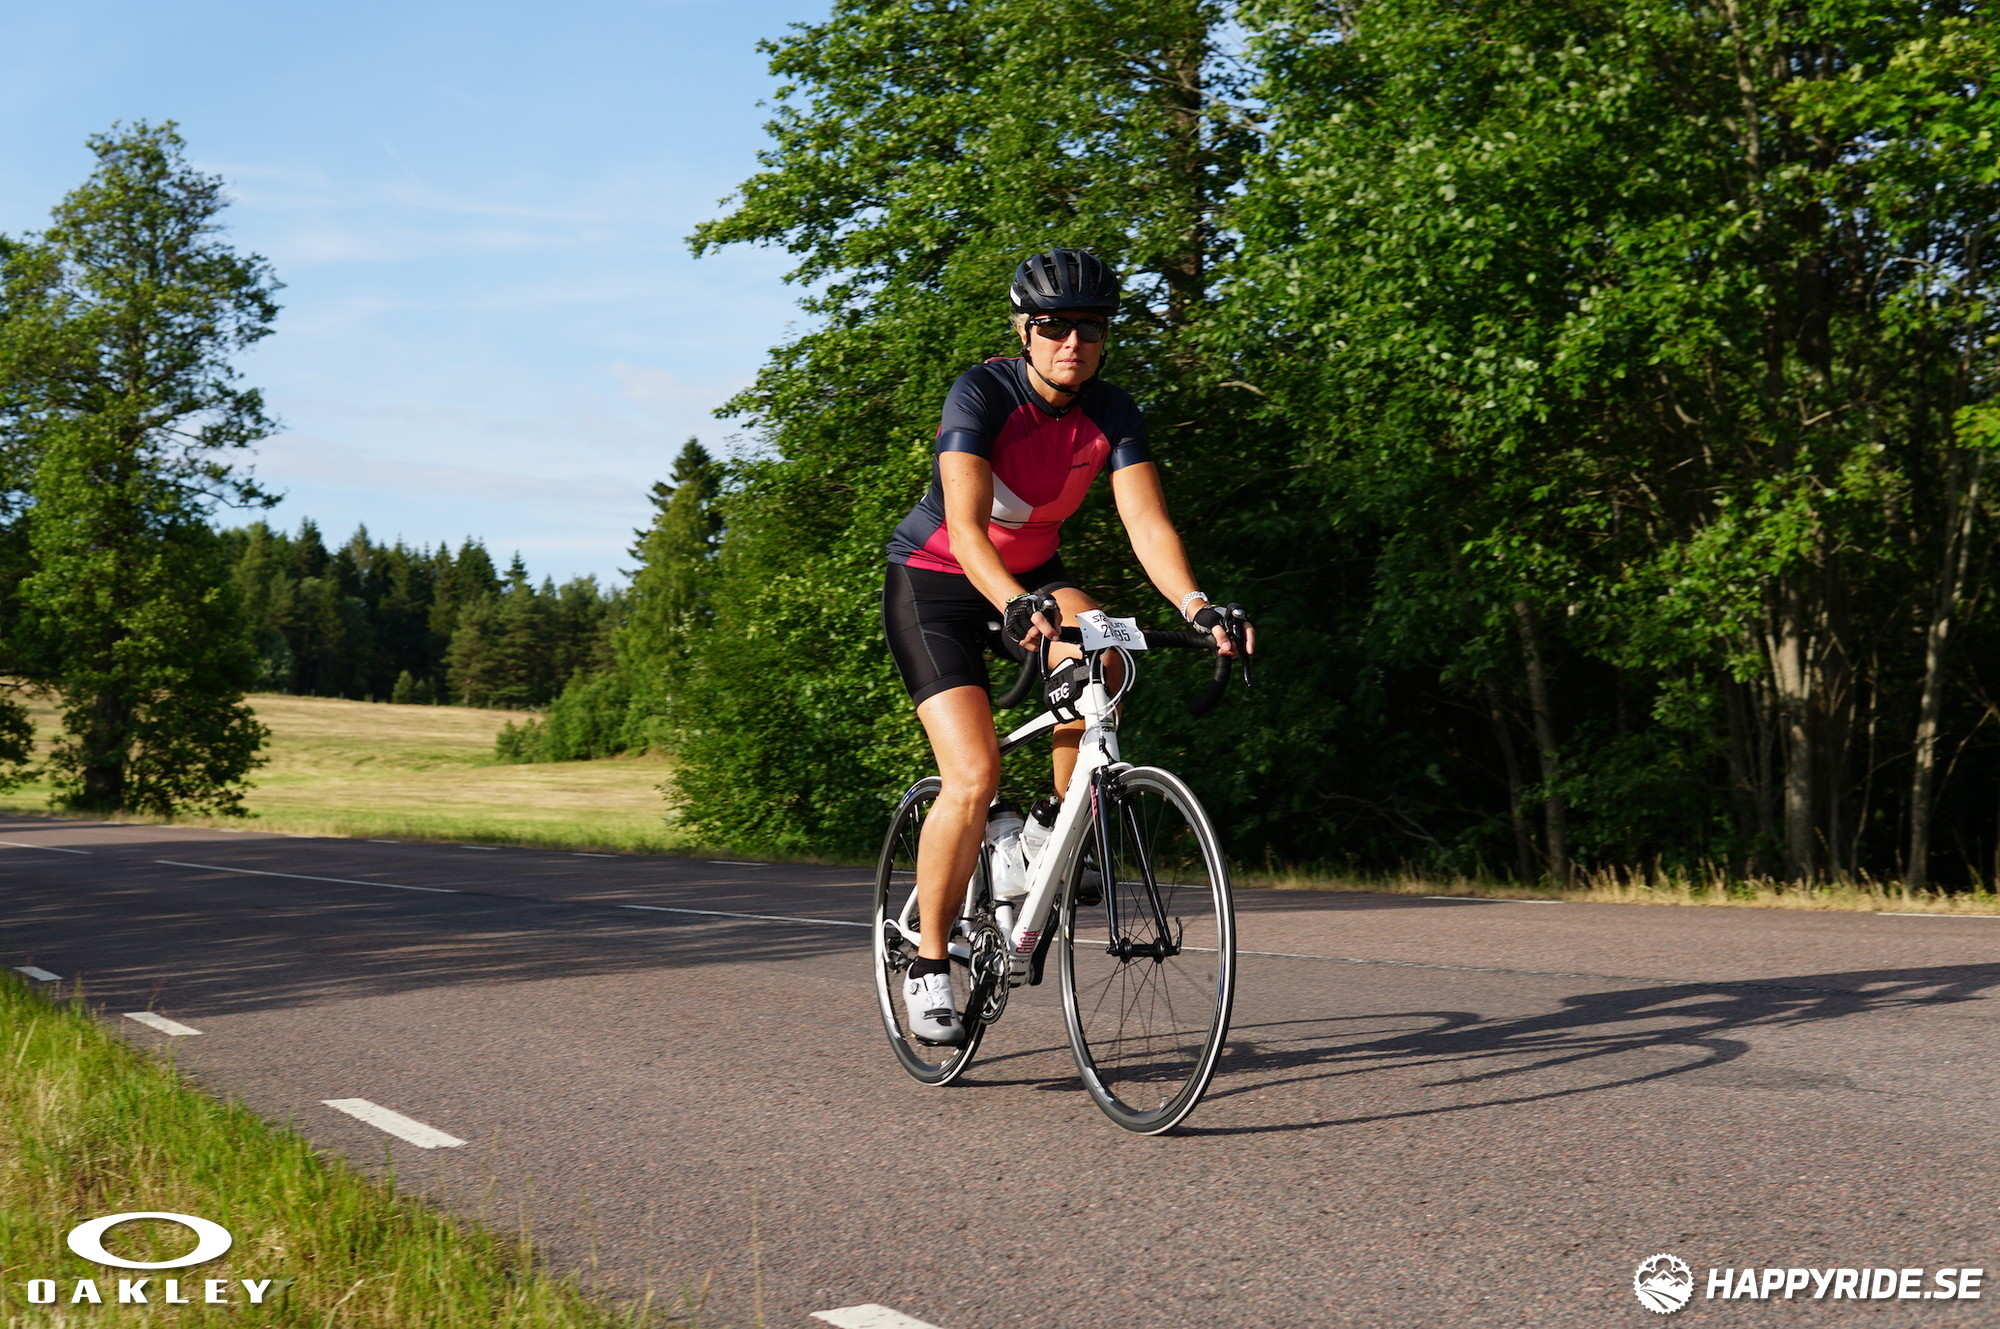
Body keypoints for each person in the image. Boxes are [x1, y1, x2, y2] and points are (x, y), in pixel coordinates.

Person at [880, 247, 1253, 1045]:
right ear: (1024, 329)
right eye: (1053, 326)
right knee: (973, 775)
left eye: (1089, 326)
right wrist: (1013, 602)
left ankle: (1049, 829)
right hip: (937, 581)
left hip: (1034, 578)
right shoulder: (983, 392)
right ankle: (930, 960)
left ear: (1106, 335)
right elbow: (968, 528)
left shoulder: (1112, 411)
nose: (1071, 342)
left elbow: (1146, 522)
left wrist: (1195, 605)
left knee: (1108, 654)